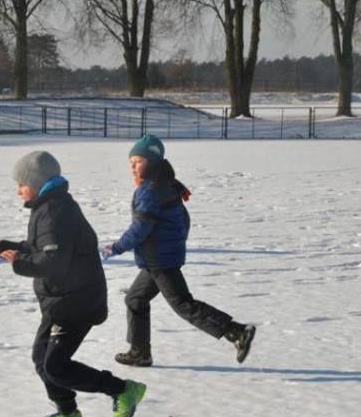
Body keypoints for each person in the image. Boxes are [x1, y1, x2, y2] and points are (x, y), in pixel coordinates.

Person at [0, 151, 146, 417]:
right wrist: (12, 246)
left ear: (37, 183)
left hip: (77, 302)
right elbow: (46, 248)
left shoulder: (53, 212)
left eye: (21, 184)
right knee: (42, 359)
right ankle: (68, 413)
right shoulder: (48, 207)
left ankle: (122, 390)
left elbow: (53, 260)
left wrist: (19, 262)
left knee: (56, 366)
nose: (18, 191)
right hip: (60, 301)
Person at [103, 134, 255, 367]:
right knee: (135, 299)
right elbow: (184, 219)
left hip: (160, 260)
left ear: (152, 162)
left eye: (139, 161)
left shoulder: (152, 189)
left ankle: (236, 332)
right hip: (161, 257)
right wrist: (176, 242)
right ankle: (139, 352)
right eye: (131, 161)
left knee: (183, 304)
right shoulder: (166, 183)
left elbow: (141, 227)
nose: (133, 166)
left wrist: (116, 247)